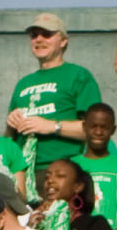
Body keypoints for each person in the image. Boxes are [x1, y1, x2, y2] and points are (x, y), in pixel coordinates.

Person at [6, 13, 103, 174]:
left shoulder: (78, 75)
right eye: (34, 35)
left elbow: (94, 131)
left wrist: (51, 126)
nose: (39, 39)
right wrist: (10, 125)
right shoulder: (23, 83)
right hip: (24, 171)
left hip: (65, 169)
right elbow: (9, 139)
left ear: (63, 40)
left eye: (47, 34)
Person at [77, 102, 117, 225]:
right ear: (84, 127)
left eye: (104, 127)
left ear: (113, 130)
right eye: (93, 126)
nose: (98, 132)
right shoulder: (73, 165)